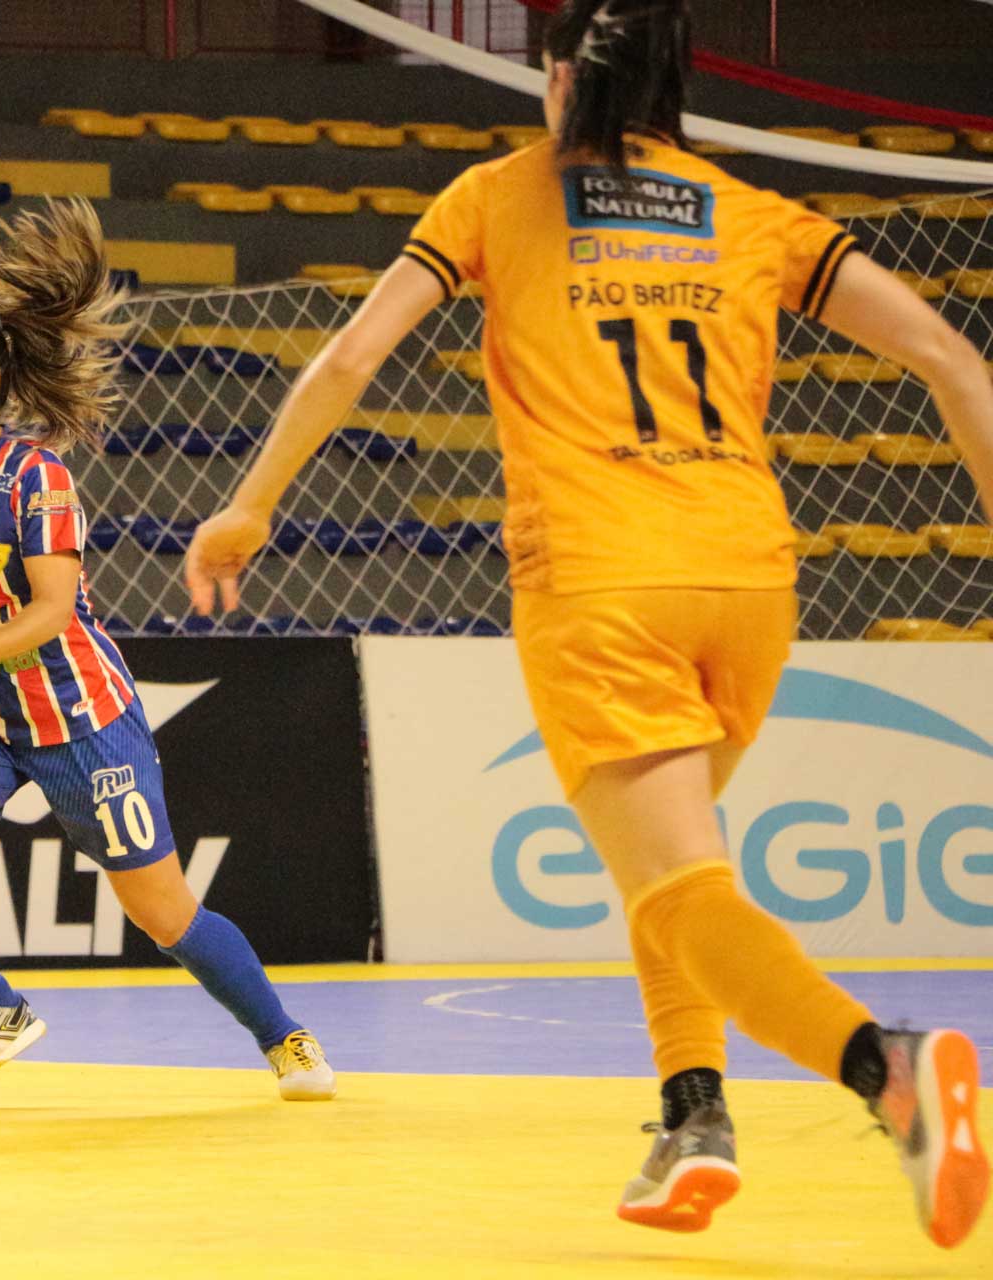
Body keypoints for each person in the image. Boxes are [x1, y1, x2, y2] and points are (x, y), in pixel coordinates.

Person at [184, 0, 989, 1247]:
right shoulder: (753, 212)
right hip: (752, 578)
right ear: (681, 88)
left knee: (676, 883)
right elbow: (949, 356)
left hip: (603, 573)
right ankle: (694, 1110)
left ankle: (887, 1065)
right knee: (671, 872)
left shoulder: (498, 194)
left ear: (555, 78)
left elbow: (351, 358)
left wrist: (248, 505)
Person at [0, 198, 334, 1102]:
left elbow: (55, 611)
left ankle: (285, 1038)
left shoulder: (34, 476)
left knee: (166, 915)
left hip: (81, 720)